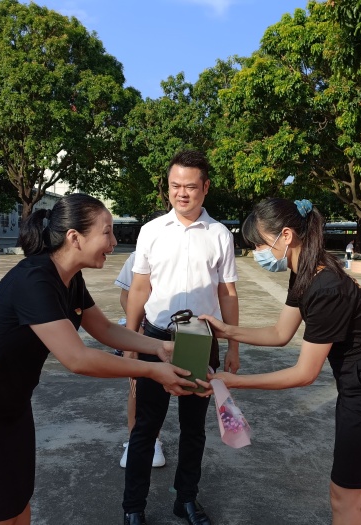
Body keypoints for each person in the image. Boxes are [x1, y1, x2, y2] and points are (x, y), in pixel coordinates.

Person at [0, 194, 197, 525]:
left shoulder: (70, 279)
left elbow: (103, 329)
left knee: (17, 504)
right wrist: (152, 370)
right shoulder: (35, 279)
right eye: (107, 232)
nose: (113, 243)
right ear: (75, 237)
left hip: (12, 405)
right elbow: (78, 358)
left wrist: (158, 347)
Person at [199, 198, 361, 525]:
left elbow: (304, 373)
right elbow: (280, 333)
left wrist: (234, 381)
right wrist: (227, 330)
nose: (257, 254)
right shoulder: (305, 272)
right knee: (358, 488)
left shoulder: (325, 286)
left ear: (286, 235)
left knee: (343, 495)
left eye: (259, 244)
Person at [122, 150, 239, 525]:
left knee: (193, 428)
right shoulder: (151, 231)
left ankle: (185, 499)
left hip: (199, 340)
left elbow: (227, 293)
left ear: (205, 188)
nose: (182, 193)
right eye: (175, 186)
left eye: (190, 186)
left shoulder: (219, 235)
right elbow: (139, 289)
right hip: (156, 339)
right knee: (145, 427)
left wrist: (234, 345)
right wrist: (130, 341)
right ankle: (133, 507)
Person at [114, 211, 168, 469]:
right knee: (138, 388)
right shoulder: (138, 256)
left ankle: (154, 439)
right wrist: (136, 331)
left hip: (175, 332)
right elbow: (127, 296)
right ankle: (137, 440)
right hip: (144, 332)